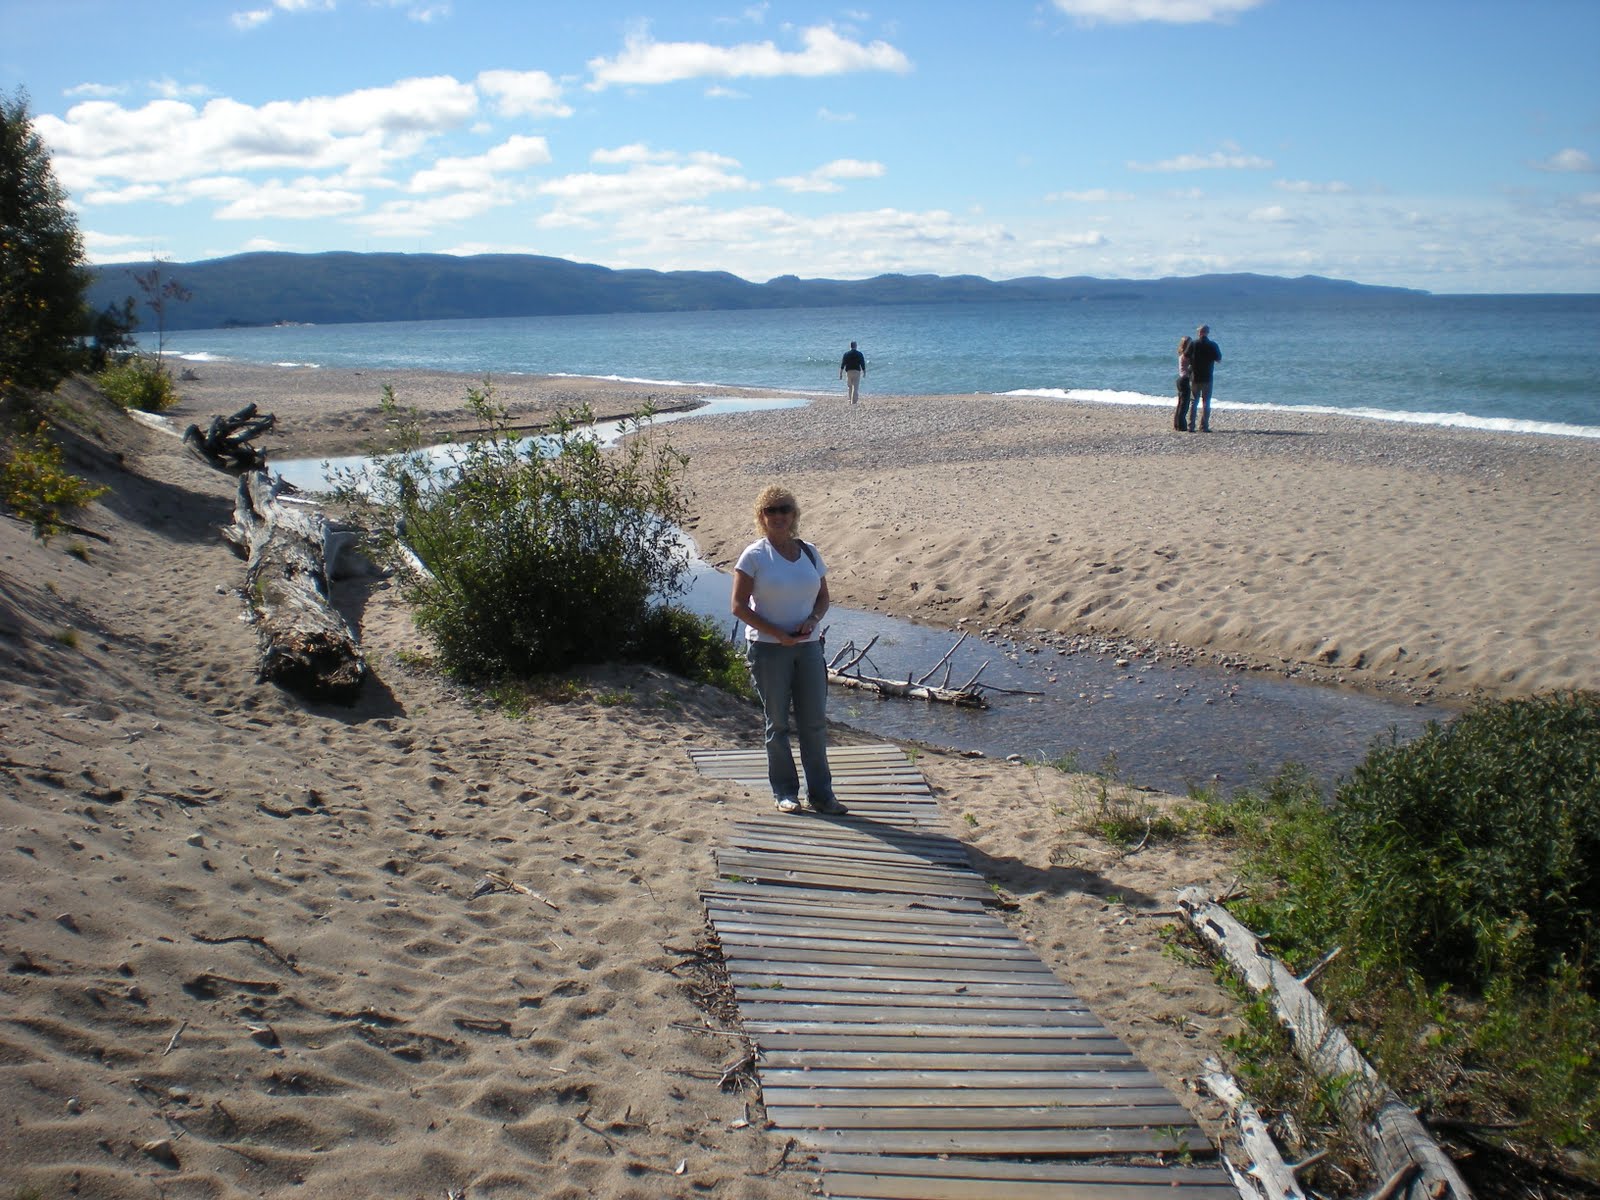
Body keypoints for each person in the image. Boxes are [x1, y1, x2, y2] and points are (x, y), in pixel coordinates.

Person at [731, 486, 846, 816]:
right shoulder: (753, 556)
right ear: (761, 516)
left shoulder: (809, 552)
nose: (778, 516)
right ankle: (785, 792)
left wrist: (812, 619)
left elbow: (823, 597)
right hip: (769, 650)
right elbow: (738, 606)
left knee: (814, 723)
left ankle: (823, 795)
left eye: (784, 509)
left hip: (809, 647)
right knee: (777, 724)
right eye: (771, 510)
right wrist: (777, 634)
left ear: (794, 515)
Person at [1189, 324, 1222, 432]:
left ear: (1199, 333)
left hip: (1195, 376)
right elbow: (1219, 359)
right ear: (1207, 332)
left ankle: (1191, 426)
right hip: (1207, 376)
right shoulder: (1212, 345)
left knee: (1194, 401)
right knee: (1206, 402)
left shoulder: (1193, 344)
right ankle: (1204, 426)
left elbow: (1185, 357)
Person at [1174, 335, 1194, 432]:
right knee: (1184, 404)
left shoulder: (1181, 354)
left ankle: (1177, 424)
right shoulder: (1185, 356)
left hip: (1181, 379)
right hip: (1184, 379)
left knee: (1181, 403)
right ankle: (1181, 425)